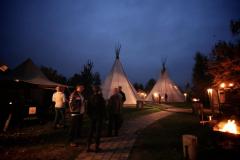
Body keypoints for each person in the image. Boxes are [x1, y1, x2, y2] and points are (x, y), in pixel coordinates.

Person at [87, 85, 106, 152]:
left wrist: (90, 115)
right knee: (97, 132)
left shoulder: (90, 97)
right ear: (98, 90)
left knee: (91, 131)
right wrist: (104, 117)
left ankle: (88, 147)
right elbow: (103, 108)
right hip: (99, 117)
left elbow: (88, 108)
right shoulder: (101, 98)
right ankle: (96, 147)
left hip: (92, 117)